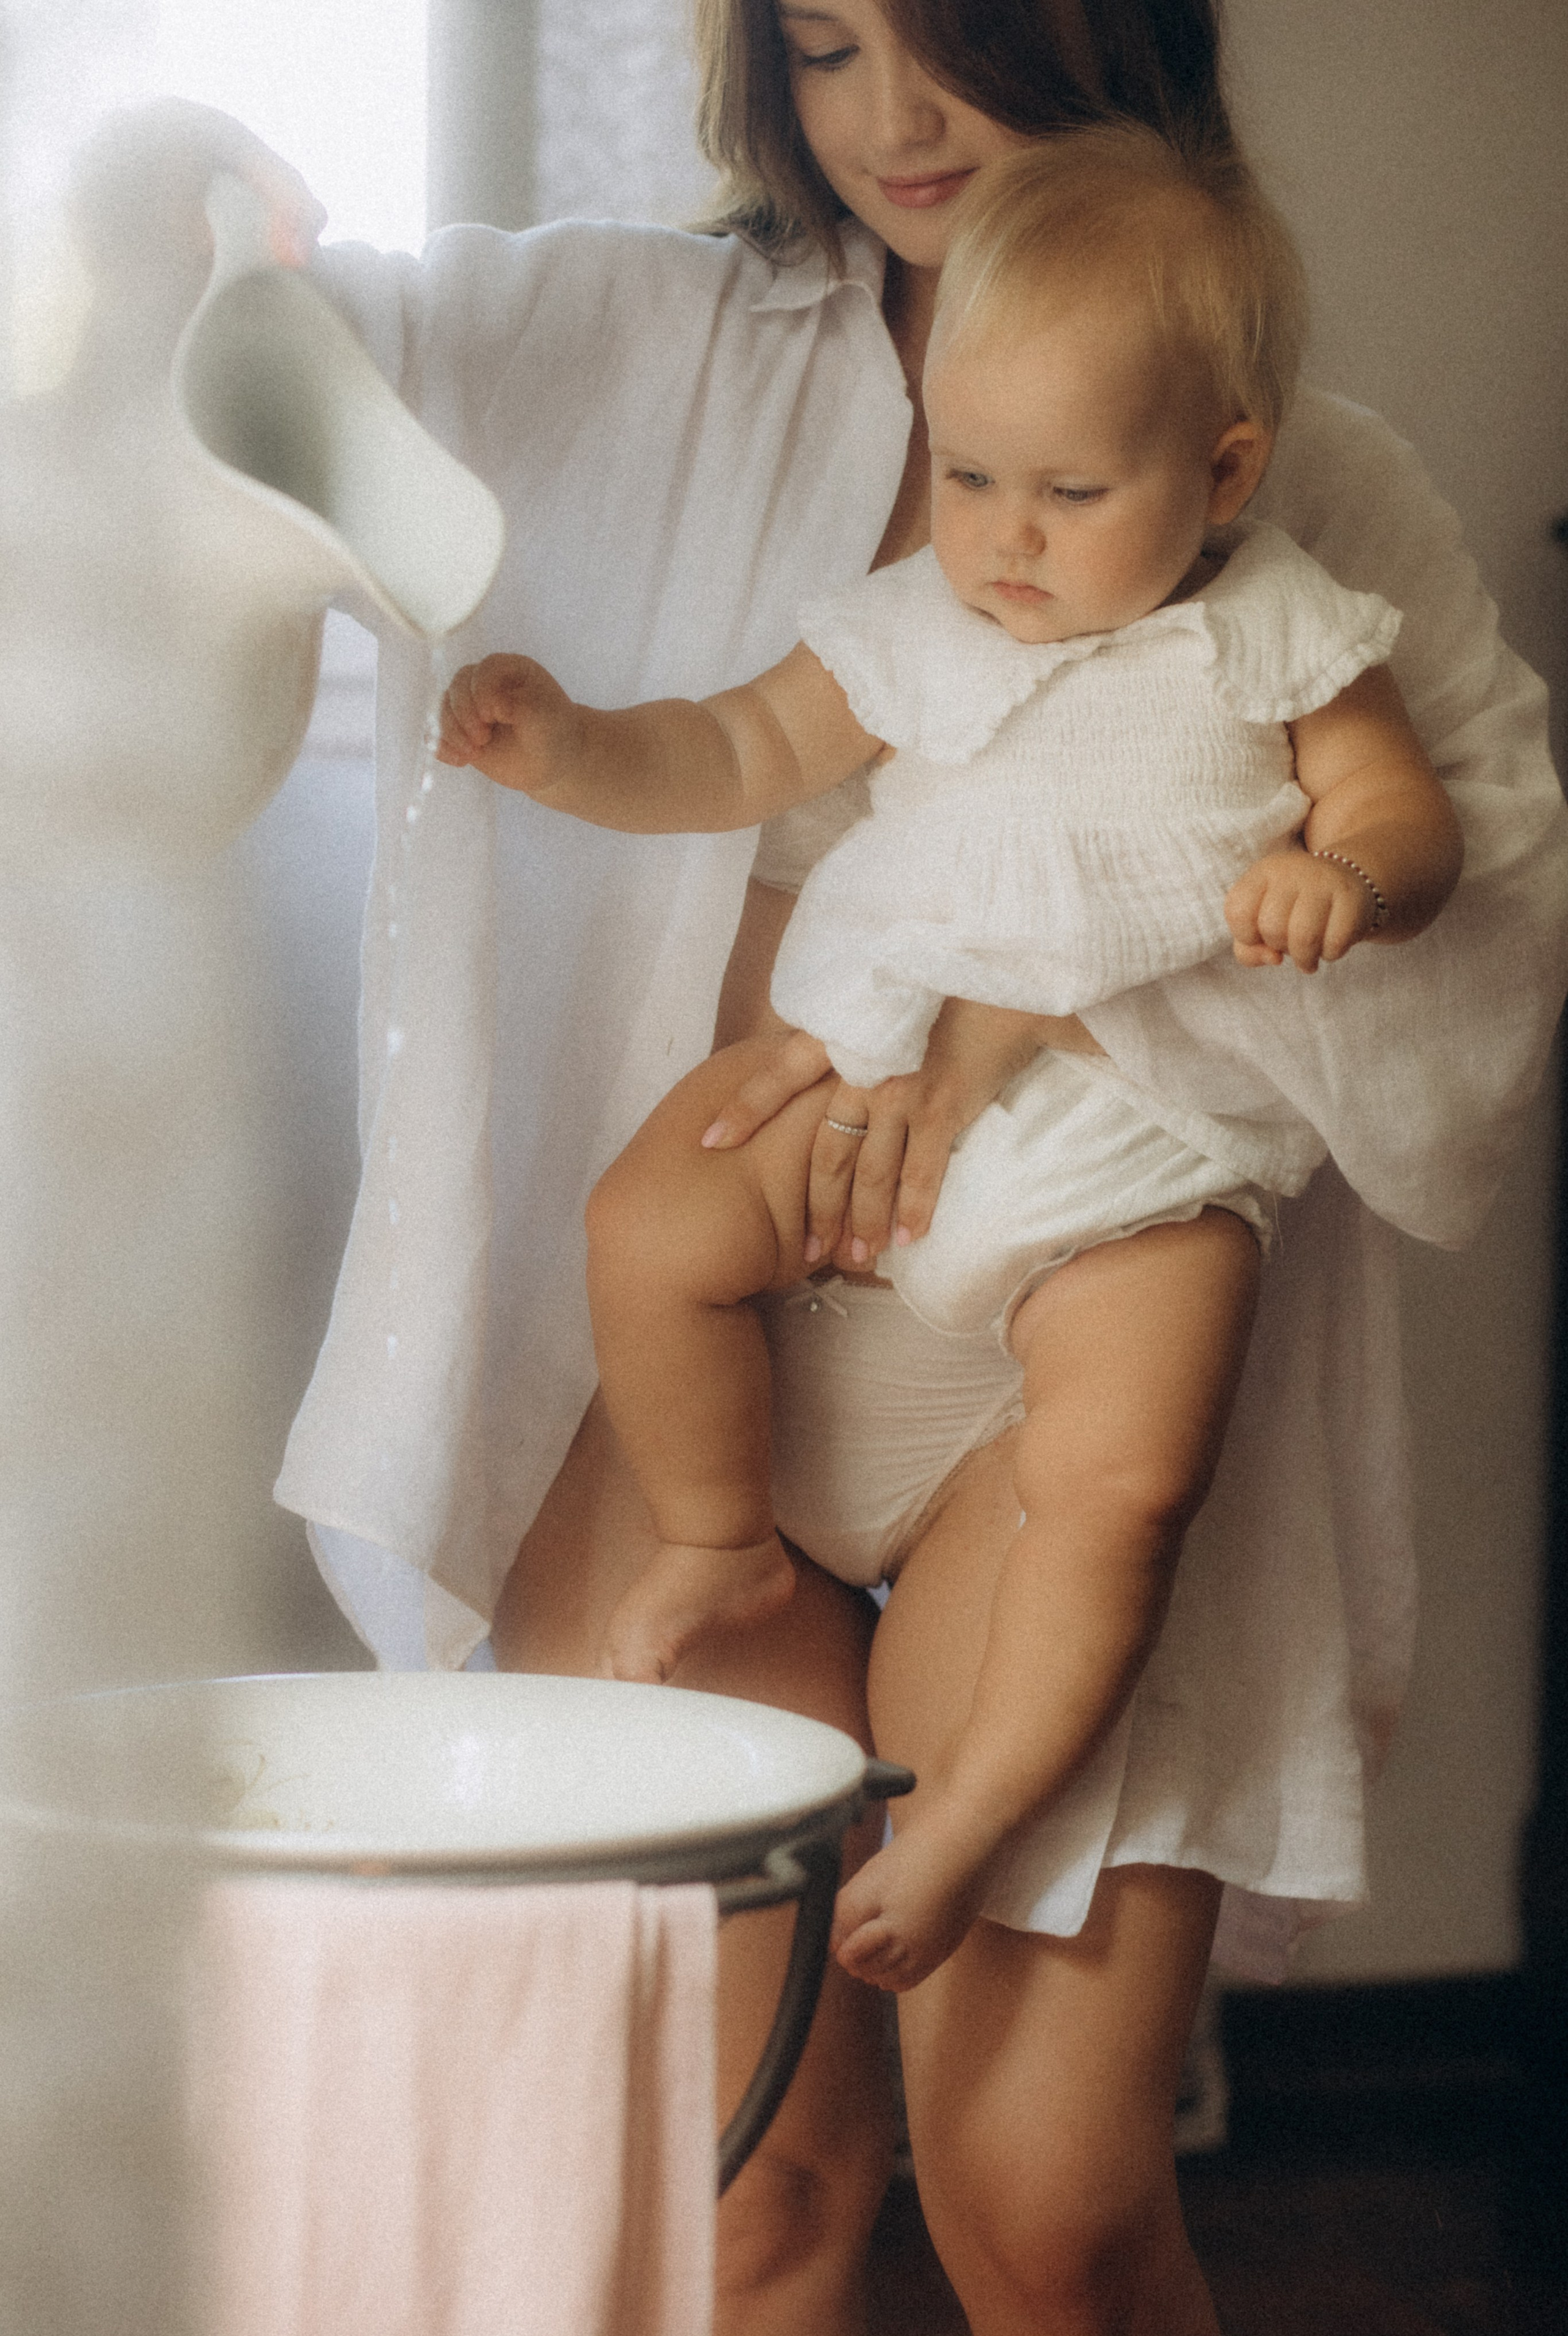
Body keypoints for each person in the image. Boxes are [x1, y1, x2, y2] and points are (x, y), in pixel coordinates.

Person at [86, 5, 1567, 2336]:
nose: (889, 118)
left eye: (953, 35)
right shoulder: (642, 341)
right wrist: (181, 178)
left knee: (1049, 2211)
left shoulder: (1311, 504)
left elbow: (1476, 962)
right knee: (738, 2172)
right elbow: (270, 325)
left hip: (1085, 1340)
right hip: (729, 1352)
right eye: (824, 40)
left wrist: (1007, 1024)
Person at [434, 127, 1465, 1997]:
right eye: (969, 473)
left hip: (1136, 1152)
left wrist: (1352, 875)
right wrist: (573, 745)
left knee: (1122, 1483)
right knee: (648, 1226)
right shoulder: (924, 616)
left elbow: (1412, 818)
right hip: (868, 1056)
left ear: (1222, 469)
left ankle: (982, 1810)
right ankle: (721, 1533)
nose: (1001, 538)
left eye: (1070, 491)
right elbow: (738, 752)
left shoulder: (1283, 626)